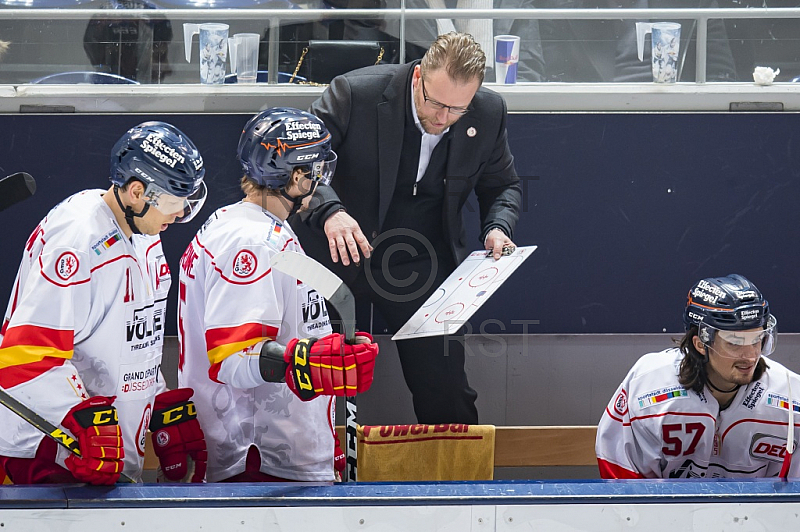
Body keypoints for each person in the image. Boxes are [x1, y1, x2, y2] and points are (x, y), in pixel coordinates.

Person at [293, 32, 522, 424]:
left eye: (456, 109)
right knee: (318, 382)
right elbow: (299, 165)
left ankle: (454, 483)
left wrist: (497, 226)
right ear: (417, 77)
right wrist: (330, 210)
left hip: (419, 263)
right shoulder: (354, 93)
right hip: (337, 255)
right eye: (435, 103)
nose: (442, 118)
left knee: (447, 389)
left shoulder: (487, 112)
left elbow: (503, 185)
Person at [0, 121, 209, 485]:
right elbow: (25, 357)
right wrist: (79, 421)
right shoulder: (78, 242)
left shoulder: (145, 235)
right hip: (46, 454)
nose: (180, 214)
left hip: (108, 455)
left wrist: (157, 400)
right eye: (176, 202)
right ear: (136, 191)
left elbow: (130, 339)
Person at [177, 107, 379, 483]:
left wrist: (328, 352)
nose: (320, 180)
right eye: (316, 170)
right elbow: (233, 359)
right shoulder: (250, 242)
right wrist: (312, 364)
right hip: (259, 459)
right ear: (297, 176)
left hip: (273, 454)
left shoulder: (251, 226)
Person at [596, 274, 800, 479]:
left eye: (757, 340)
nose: (750, 356)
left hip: (760, 512)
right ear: (701, 343)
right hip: (665, 510)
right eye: (735, 343)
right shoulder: (648, 387)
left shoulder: (790, 397)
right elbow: (621, 478)